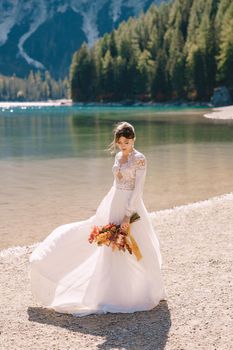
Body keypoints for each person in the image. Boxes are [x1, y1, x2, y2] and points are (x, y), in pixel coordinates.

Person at [29, 121, 167, 317]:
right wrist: (106, 206)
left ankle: (146, 289)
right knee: (112, 246)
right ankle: (112, 293)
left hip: (131, 205)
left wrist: (128, 214)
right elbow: (115, 184)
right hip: (114, 203)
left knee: (136, 246)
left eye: (126, 142)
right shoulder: (119, 156)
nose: (123, 146)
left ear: (133, 139)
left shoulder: (140, 159)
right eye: (120, 142)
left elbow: (138, 189)